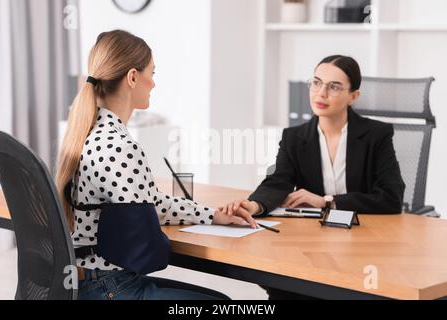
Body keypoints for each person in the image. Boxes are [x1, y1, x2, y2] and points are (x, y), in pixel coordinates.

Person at [55, 30, 256, 300]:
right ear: (133, 77)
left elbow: (148, 203)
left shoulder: (90, 132)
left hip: (87, 281)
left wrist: (212, 215)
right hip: (109, 288)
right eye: (152, 73)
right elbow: (148, 248)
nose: (153, 84)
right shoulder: (120, 146)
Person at [221, 55, 405, 299]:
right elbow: (279, 180)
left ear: (353, 96)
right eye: (316, 83)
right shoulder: (294, 137)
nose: (321, 93)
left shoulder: (376, 135)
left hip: (366, 245)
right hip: (314, 245)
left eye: (334, 86)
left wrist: (326, 201)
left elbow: (391, 197)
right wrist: (254, 205)